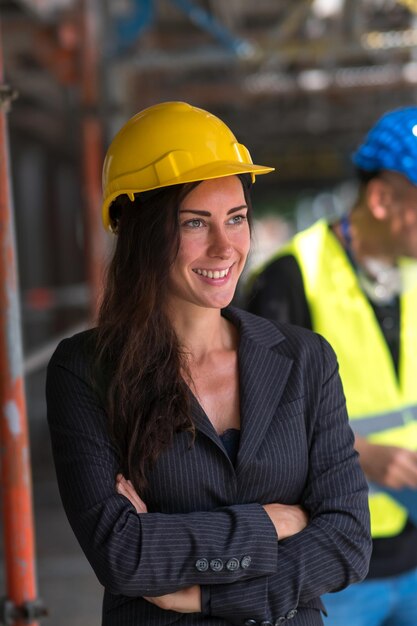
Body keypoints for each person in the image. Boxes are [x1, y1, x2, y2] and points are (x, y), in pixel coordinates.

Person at [46, 101, 371, 626]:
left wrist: (204, 594)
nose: (226, 247)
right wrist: (274, 522)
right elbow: (123, 555)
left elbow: (348, 540)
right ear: (141, 231)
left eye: (236, 218)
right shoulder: (86, 371)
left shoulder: (305, 359)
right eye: (196, 222)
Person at [246, 106, 417, 626]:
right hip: (336, 565)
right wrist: (357, 453)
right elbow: (253, 425)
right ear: (382, 199)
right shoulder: (292, 278)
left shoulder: (411, 274)